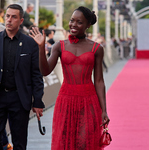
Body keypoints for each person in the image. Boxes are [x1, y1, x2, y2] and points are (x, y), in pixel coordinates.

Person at [30, 6, 110, 150]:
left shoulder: (97, 48)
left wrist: (104, 109)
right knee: (65, 141)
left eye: (79, 22)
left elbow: (99, 81)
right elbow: (45, 71)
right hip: (66, 99)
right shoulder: (59, 46)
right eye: (72, 20)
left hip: (89, 100)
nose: (73, 24)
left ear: (88, 25)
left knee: (85, 142)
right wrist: (41, 48)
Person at [0, 4, 44, 150]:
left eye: (14, 17)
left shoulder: (30, 43)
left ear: (20, 20)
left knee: (19, 143)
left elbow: (36, 74)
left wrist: (37, 101)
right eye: (7, 16)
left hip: (20, 98)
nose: (9, 20)